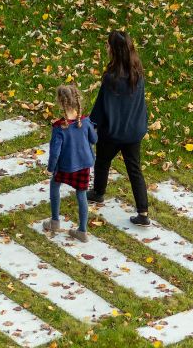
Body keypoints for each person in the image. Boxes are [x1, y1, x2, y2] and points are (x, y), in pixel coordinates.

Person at [87, 30, 150, 225]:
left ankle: (98, 192)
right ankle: (143, 212)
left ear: (114, 50)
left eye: (108, 45)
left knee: (102, 161)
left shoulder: (111, 78)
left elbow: (101, 106)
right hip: (133, 132)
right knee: (134, 169)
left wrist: (92, 125)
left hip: (112, 133)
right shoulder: (137, 73)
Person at [44, 84, 97, 242]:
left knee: (55, 185)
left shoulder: (59, 128)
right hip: (84, 165)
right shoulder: (86, 122)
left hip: (65, 166)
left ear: (60, 102)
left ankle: (55, 221)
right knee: (81, 195)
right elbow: (94, 140)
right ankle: (82, 231)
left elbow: (55, 153)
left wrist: (50, 168)